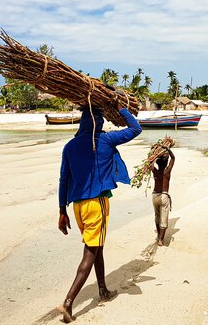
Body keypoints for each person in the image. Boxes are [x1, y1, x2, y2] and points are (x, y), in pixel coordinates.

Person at [56, 98, 142, 323]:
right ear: (99, 123)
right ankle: (68, 303)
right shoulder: (104, 140)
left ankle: (102, 290)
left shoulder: (70, 146)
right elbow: (135, 128)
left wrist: (61, 211)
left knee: (97, 246)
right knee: (90, 252)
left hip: (77, 206)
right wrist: (121, 106)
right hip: (97, 204)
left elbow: (64, 179)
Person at [152, 147, 175, 246]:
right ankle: (161, 239)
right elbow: (173, 158)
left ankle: (158, 236)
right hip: (164, 196)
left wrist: (154, 152)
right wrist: (167, 149)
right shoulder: (167, 171)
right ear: (166, 163)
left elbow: (149, 162)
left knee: (157, 216)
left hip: (154, 196)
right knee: (163, 219)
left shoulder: (155, 171)